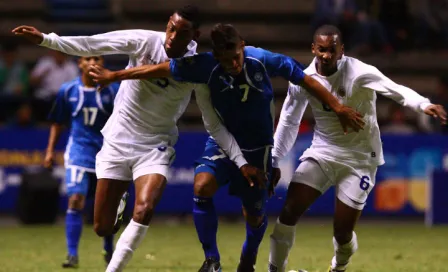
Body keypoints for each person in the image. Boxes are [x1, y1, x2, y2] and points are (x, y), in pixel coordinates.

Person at [88, 23, 365, 272]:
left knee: (254, 216)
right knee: (202, 186)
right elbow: (161, 68)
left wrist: (338, 107)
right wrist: (115, 76)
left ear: (242, 45)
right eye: (225, 59)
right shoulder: (206, 65)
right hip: (221, 141)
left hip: (258, 149)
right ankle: (212, 260)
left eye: (236, 56)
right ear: (216, 55)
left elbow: (306, 80)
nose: (232, 63)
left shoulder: (263, 59)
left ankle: (248, 260)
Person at [13, 6, 265, 272]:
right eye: (170, 27)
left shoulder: (198, 69)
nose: (171, 36)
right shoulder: (145, 41)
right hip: (117, 140)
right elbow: (94, 43)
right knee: (102, 227)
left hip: (155, 145)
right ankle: (121, 200)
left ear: (194, 35)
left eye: (180, 33)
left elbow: (212, 122)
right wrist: (46, 39)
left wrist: (239, 160)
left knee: (144, 209)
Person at [267, 25, 447, 272]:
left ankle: (338, 266)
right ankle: (274, 269)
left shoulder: (360, 72)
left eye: (332, 50)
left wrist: (422, 104)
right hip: (323, 152)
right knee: (288, 212)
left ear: (341, 50)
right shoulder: (303, 79)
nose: (326, 56)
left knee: (342, 233)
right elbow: (289, 120)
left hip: (360, 158)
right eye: (321, 50)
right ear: (313, 49)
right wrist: (275, 159)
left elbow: (395, 90)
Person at [44, 56, 119, 268]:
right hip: (78, 153)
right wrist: (50, 151)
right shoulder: (67, 90)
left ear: (104, 63)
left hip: (107, 153)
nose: (93, 62)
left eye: (98, 58)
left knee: (106, 208)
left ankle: (108, 247)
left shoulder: (113, 90)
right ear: (80, 64)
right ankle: (72, 254)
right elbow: (57, 122)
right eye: (88, 58)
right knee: (76, 199)